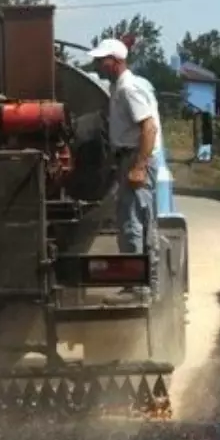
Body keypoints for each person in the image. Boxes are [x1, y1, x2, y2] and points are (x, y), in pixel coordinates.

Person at [89, 37, 160, 302]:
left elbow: (149, 128)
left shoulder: (129, 89)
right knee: (128, 220)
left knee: (134, 221)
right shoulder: (119, 88)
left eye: (101, 61)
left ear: (115, 62)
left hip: (135, 158)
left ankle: (140, 287)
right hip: (126, 158)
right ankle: (137, 284)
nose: (96, 65)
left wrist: (139, 166)